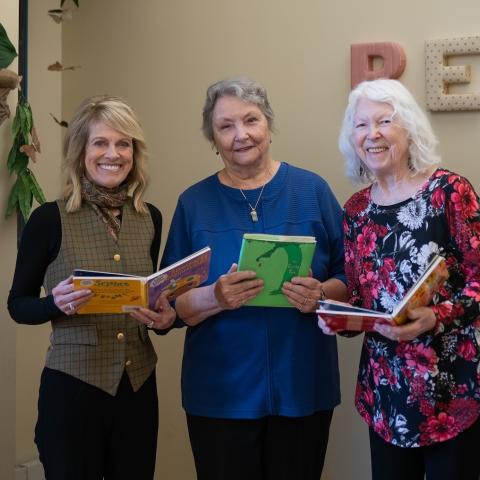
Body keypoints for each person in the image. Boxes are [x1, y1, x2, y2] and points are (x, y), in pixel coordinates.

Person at [160, 77, 348, 480]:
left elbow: (350, 277)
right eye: (225, 126)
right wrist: (215, 296)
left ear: (268, 125)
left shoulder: (312, 190)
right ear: (212, 137)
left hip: (302, 385)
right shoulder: (193, 204)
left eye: (251, 120)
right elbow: (172, 306)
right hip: (220, 393)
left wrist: (321, 294)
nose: (240, 135)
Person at [319, 78, 480, 480]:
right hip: (386, 396)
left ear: (408, 127)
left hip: (451, 391)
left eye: (385, 121)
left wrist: (438, 315)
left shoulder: (449, 191)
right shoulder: (355, 210)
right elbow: (359, 298)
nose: (371, 134)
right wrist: (337, 315)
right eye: (360, 125)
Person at [8, 95, 176, 480]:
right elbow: (17, 305)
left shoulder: (151, 218)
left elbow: (150, 300)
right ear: (80, 150)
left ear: (135, 152)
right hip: (72, 391)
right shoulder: (48, 220)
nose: (112, 154)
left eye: (123, 144)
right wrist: (54, 304)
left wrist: (164, 319)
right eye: (100, 142)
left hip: (138, 389)